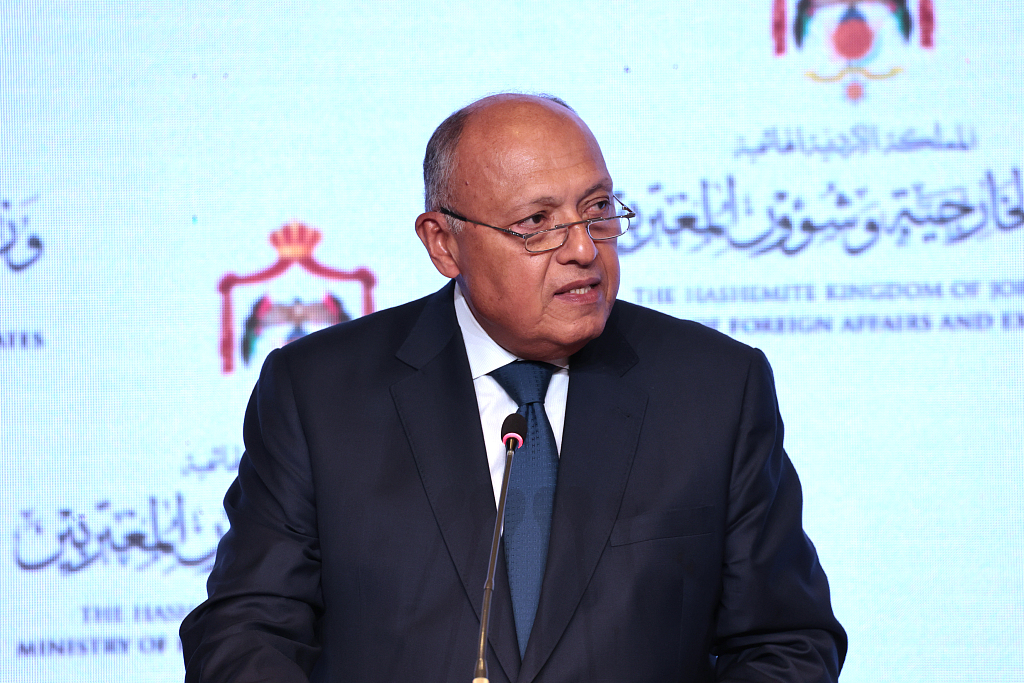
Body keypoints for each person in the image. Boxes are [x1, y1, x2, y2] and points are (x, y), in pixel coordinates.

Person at [180, 94, 847, 682]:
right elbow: (246, 631)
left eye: (597, 210)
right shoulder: (321, 395)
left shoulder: (713, 389)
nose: (583, 248)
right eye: (536, 223)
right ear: (444, 243)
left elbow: (786, 640)